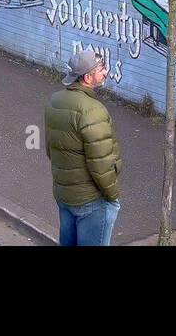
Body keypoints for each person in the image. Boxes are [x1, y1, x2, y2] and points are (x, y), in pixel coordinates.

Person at [45, 50, 123, 246]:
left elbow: (50, 149)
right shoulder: (93, 111)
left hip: (64, 195)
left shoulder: (55, 102)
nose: (105, 72)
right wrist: (112, 197)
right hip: (91, 201)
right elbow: (101, 164)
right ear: (87, 77)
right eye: (101, 69)